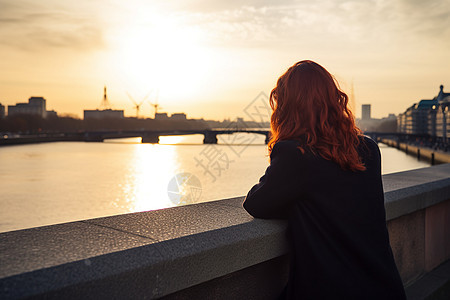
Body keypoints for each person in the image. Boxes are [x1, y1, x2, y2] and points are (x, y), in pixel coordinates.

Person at [243, 60, 406, 300]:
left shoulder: (294, 153)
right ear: (333, 100)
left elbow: (256, 203)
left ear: (287, 107)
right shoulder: (368, 148)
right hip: (382, 287)